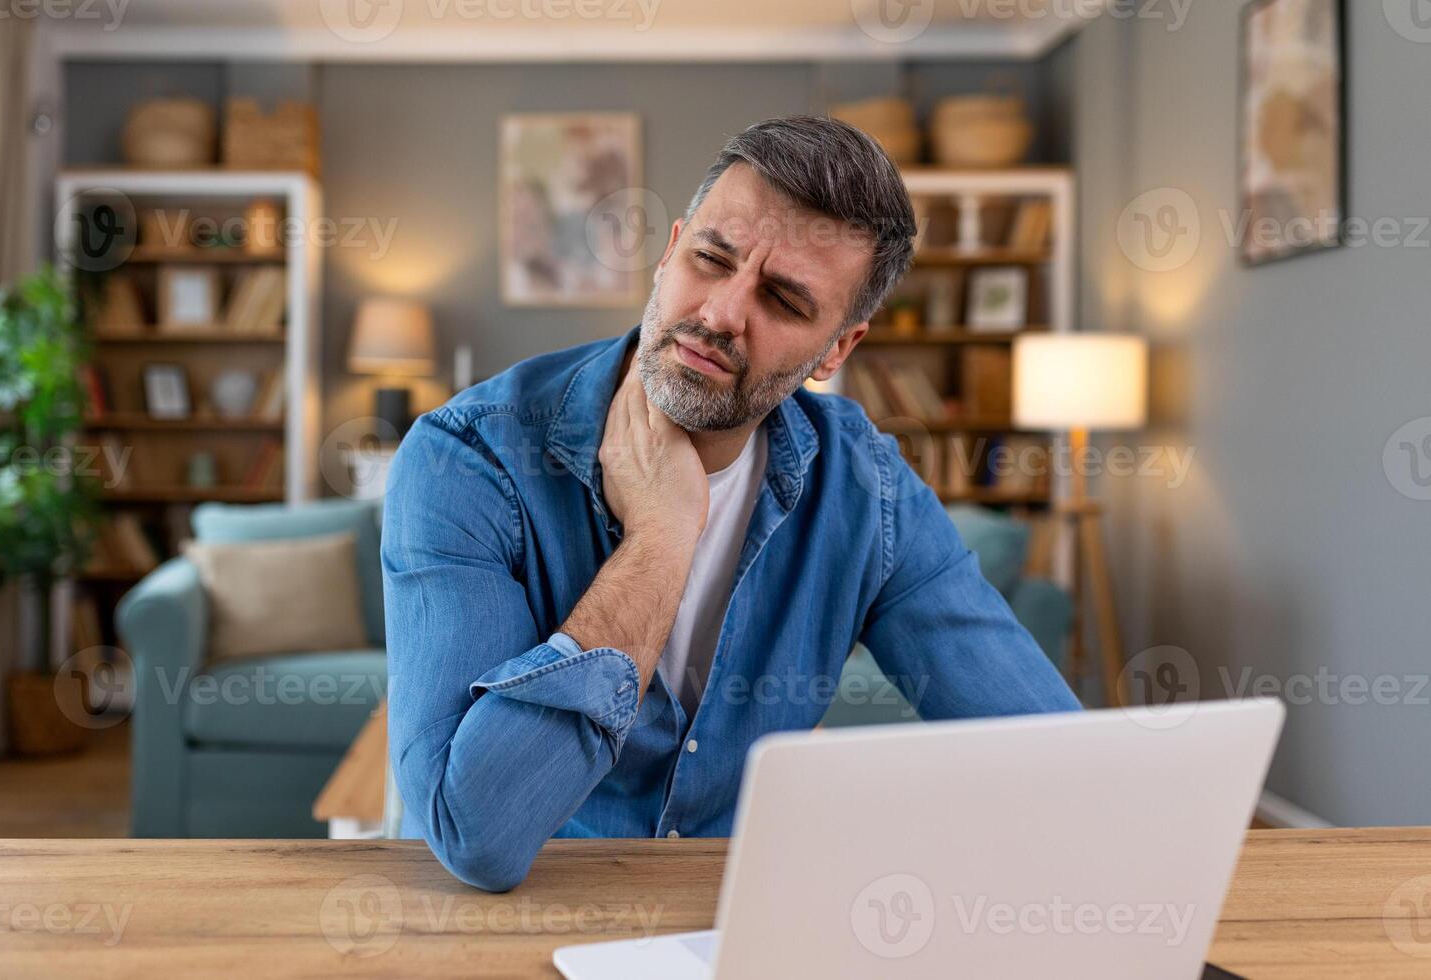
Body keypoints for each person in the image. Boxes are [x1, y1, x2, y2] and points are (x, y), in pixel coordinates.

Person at [382, 116, 1080, 892]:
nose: (719, 313)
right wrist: (660, 539)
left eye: (782, 300)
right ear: (668, 249)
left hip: (729, 928)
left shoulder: (866, 490)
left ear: (838, 349)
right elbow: (475, 832)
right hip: (505, 923)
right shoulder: (467, 460)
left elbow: (1049, 763)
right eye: (709, 259)